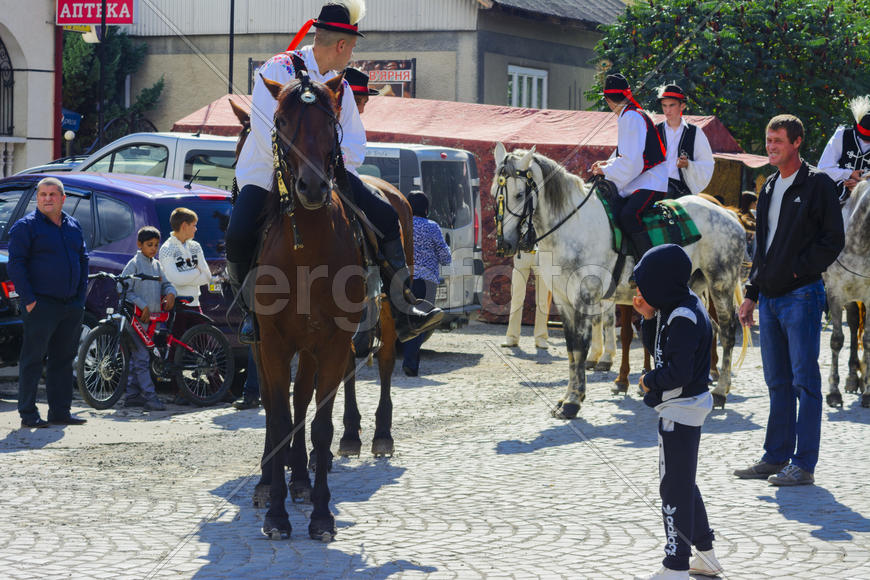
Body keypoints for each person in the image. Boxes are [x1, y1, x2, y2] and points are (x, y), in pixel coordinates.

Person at [228, 0, 442, 344]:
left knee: (386, 217)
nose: (352, 56)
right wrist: (305, 165)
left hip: (325, 176)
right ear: (341, 44)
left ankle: (403, 310)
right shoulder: (279, 69)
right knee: (238, 233)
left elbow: (355, 143)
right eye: (353, 48)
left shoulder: (338, 84)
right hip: (266, 173)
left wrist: (324, 168)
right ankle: (249, 311)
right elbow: (265, 129)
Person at [735, 115, 844, 486]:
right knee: (777, 382)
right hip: (770, 299)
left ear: (797, 142)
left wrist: (798, 270)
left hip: (802, 296)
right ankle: (775, 456)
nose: (771, 147)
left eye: (778, 140)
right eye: (768, 140)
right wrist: (751, 293)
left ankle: (804, 465)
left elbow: (832, 240)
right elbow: (762, 248)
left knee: (805, 383)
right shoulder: (767, 187)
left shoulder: (818, 185)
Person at [632, 244, 723, 580]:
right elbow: (660, 347)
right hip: (683, 406)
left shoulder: (683, 316)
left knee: (672, 488)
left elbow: (677, 370)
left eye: (645, 286)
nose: (639, 292)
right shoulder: (676, 308)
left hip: (680, 408)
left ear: (661, 284)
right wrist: (648, 317)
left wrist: (647, 381)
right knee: (683, 483)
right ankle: (707, 556)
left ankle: (676, 564)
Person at [7, 177, 89, 428]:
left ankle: (60, 412)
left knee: (63, 360)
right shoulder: (26, 227)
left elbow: (83, 259)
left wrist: (79, 298)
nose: (47, 198)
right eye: (42, 194)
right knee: (32, 360)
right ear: (37, 198)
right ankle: (28, 414)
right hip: (40, 305)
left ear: (63, 198)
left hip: (70, 306)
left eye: (53, 194)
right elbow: (16, 265)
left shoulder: (73, 225)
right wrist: (29, 300)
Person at [591, 73, 668, 259]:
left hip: (650, 181)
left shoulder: (631, 117)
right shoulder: (630, 114)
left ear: (608, 100)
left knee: (628, 215)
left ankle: (649, 263)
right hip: (641, 177)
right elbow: (629, 156)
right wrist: (607, 164)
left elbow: (633, 162)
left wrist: (605, 170)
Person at [159, 207, 216, 405]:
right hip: (178, 305)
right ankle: (178, 391)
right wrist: (197, 273)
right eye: (193, 225)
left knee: (206, 346)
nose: (196, 229)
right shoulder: (167, 248)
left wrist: (194, 276)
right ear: (184, 226)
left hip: (195, 301)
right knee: (176, 348)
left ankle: (217, 387)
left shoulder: (195, 246)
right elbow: (173, 278)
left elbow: (207, 275)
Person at [120, 226, 176, 411]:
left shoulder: (157, 265)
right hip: (135, 321)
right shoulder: (134, 264)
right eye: (149, 244)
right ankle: (151, 397)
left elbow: (167, 284)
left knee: (140, 359)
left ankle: (133, 395)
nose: (153, 248)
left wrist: (170, 294)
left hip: (152, 321)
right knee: (142, 358)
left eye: (155, 245)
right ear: (139, 244)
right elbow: (122, 288)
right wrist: (140, 303)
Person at [401, 192, 451, 377]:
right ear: (426, 209)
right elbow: (445, 258)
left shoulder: (402, 225)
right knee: (421, 322)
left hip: (403, 278)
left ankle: (404, 358)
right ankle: (410, 363)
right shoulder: (432, 227)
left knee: (405, 319)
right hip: (427, 282)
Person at [654, 84, 714, 198]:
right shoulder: (655, 130)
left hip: (680, 187)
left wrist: (688, 164)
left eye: (672, 105)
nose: (667, 110)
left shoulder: (695, 132)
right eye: (664, 106)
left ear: (682, 106)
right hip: (654, 183)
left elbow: (707, 164)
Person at [817, 95, 870, 204]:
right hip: (838, 194)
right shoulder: (842, 135)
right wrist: (849, 174)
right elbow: (823, 169)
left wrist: (862, 185)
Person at [502, 250, 552, 350]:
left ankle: (541, 337)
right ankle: (512, 336)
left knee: (542, 300)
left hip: (542, 254)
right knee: (517, 298)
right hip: (522, 253)